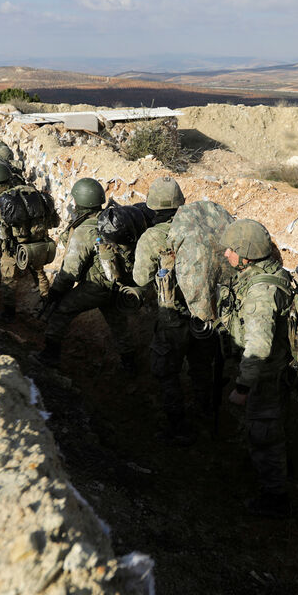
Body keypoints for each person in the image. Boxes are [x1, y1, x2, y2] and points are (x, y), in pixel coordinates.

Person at [132, 177, 217, 446]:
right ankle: (210, 417)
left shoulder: (153, 236)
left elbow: (141, 279)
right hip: (205, 313)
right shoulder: (202, 227)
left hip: (173, 317)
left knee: (167, 372)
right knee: (202, 369)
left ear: (154, 208)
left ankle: (177, 426)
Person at [218, 218, 294, 517]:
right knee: (268, 429)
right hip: (275, 368)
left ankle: (275, 498)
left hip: (264, 375)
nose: (227, 254)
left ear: (247, 254)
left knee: (264, 434)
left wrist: (242, 387)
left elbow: (259, 346)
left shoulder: (261, 292)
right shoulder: (268, 272)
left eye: (232, 250)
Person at [39, 178, 138, 370]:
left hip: (96, 287)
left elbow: (70, 272)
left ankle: (50, 355)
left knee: (61, 311)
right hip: (119, 285)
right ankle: (130, 363)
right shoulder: (111, 219)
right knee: (118, 324)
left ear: (80, 202)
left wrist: (56, 292)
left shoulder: (86, 229)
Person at [0, 164, 57, 318]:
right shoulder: (29, 192)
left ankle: (9, 314)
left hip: (13, 249)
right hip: (36, 244)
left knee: (8, 279)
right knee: (39, 273)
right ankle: (48, 305)